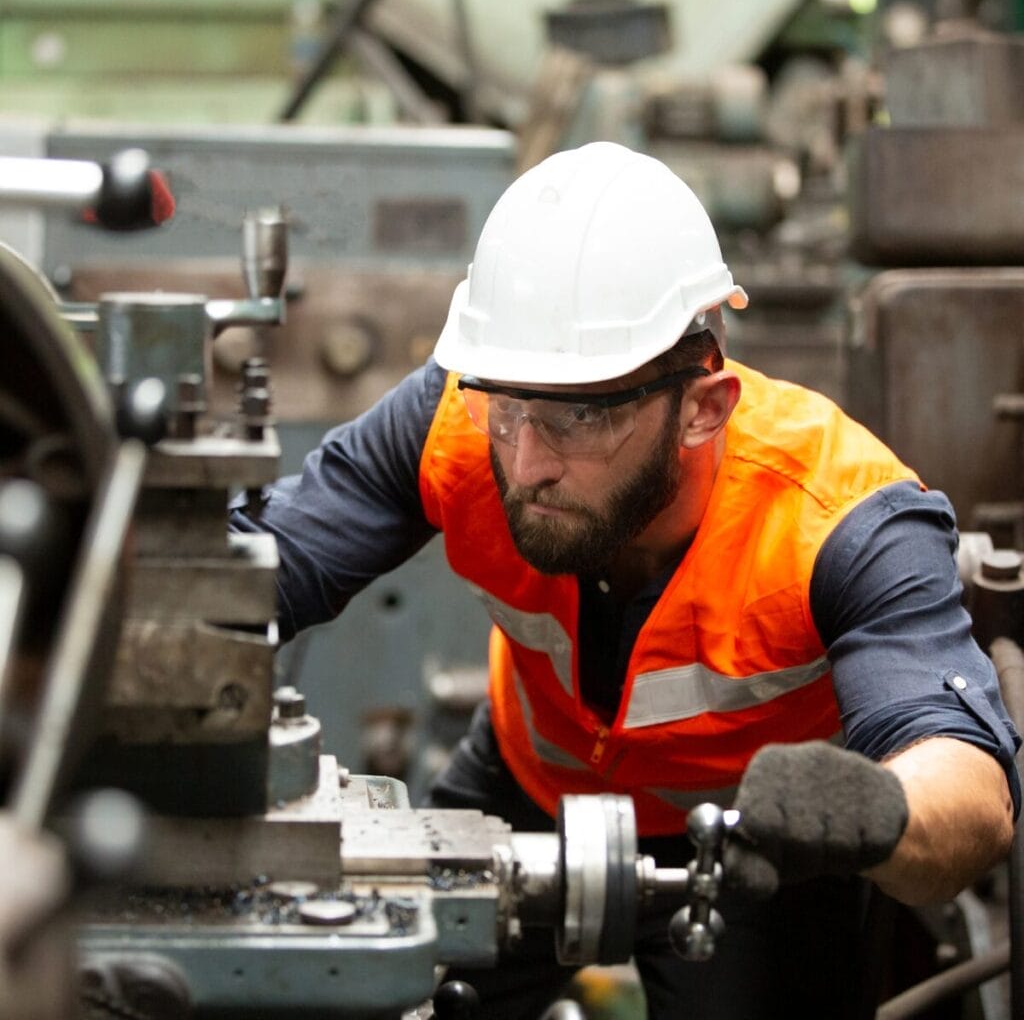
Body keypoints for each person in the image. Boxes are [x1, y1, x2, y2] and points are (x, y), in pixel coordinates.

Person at [231, 142, 1020, 1019]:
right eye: (508, 407)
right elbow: (255, 568)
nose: (527, 463)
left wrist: (874, 811)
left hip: (757, 846)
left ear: (702, 407)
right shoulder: (456, 421)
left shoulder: (841, 519)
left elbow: (970, 795)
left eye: (581, 415)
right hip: (525, 789)